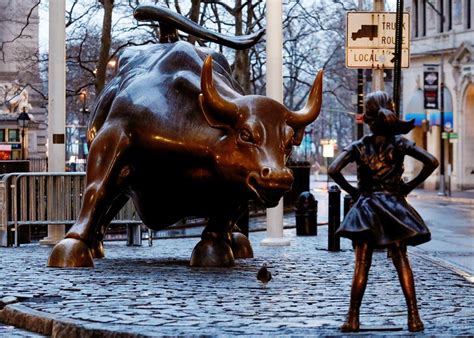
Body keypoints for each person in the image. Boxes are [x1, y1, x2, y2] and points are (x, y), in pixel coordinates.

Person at [328, 91, 439, 332]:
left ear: (367, 118)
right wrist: (408, 186)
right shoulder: (400, 143)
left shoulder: (359, 146)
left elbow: (333, 169)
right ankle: (413, 318)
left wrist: (355, 192)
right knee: (401, 261)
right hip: (394, 206)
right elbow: (432, 161)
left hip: (366, 208)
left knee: (362, 265)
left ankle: (353, 318)